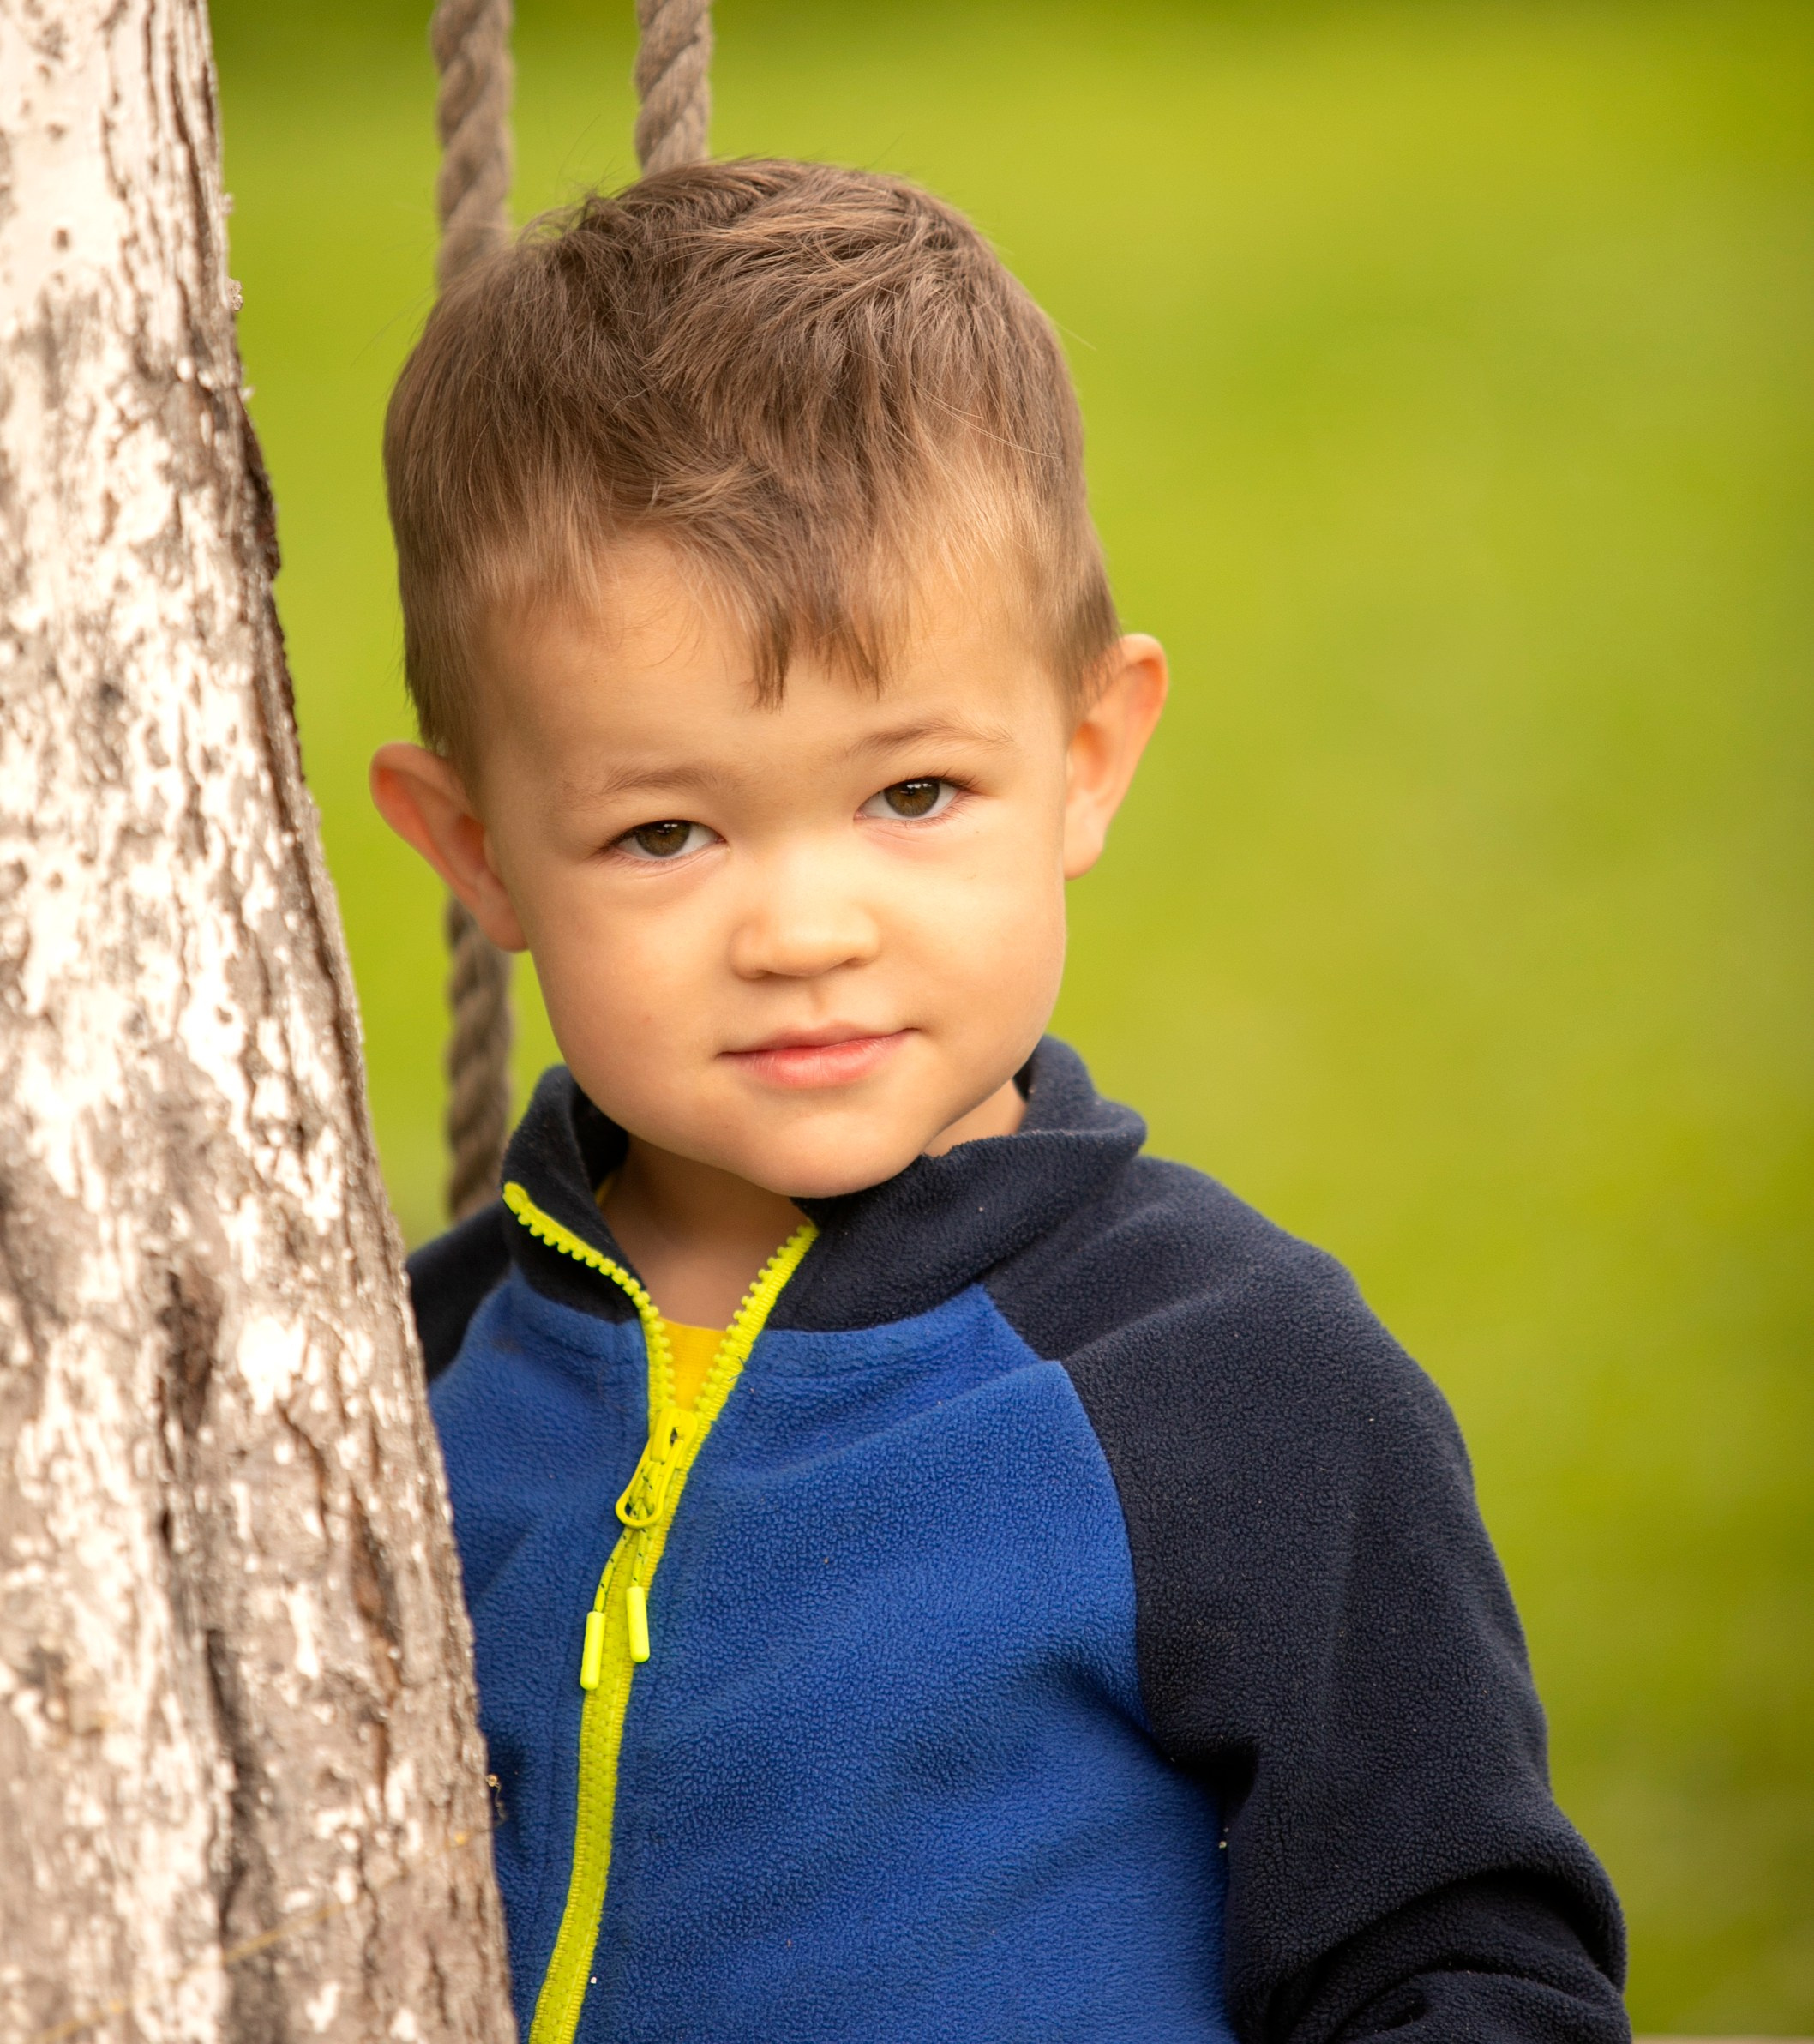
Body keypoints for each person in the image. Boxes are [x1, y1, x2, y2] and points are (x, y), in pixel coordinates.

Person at [374, 159, 1628, 2044]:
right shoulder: (397, 1373)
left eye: (911, 795)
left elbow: (1463, 1965)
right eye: (661, 830)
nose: (804, 928)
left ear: (1085, 755)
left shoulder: (1225, 1385)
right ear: (475, 851)